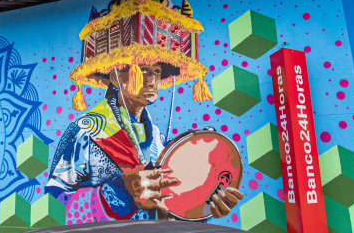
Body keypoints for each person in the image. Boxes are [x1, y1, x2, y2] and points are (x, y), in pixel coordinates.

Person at [47, 61, 242, 220]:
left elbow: (172, 206)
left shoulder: (158, 138)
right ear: (115, 78)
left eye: (156, 72)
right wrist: (119, 194)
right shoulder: (87, 130)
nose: (151, 82)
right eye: (142, 71)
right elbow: (54, 205)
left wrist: (205, 205)